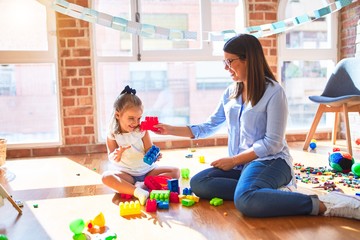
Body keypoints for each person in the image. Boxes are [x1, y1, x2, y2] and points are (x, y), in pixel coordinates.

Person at [154, 34, 360, 219]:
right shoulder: (231, 92)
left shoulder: (274, 92)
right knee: (199, 183)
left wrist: (233, 160)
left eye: (230, 61)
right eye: (224, 61)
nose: (226, 67)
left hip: (271, 161)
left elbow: (272, 143)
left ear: (248, 60)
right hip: (243, 166)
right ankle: (268, 192)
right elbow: (208, 126)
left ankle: (327, 204)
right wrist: (169, 129)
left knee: (245, 200)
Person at [102, 85, 180, 205]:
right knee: (106, 177)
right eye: (131, 118)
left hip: (147, 171)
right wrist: (118, 154)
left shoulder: (142, 131)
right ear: (118, 115)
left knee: (175, 172)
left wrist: (154, 156)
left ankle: (140, 186)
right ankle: (139, 191)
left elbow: (149, 151)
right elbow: (112, 157)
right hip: (127, 174)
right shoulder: (112, 134)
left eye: (139, 118)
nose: (136, 123)